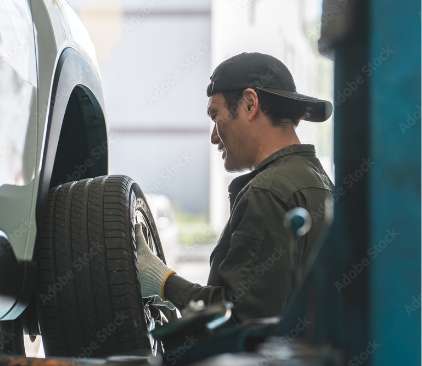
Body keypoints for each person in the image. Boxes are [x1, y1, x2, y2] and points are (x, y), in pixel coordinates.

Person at [136, 52, 334, 324]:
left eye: (215, 116)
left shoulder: (267, 193)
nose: (214, 135)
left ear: (250, 104)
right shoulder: (318, 180)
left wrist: (165, 283)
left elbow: (240, 319)